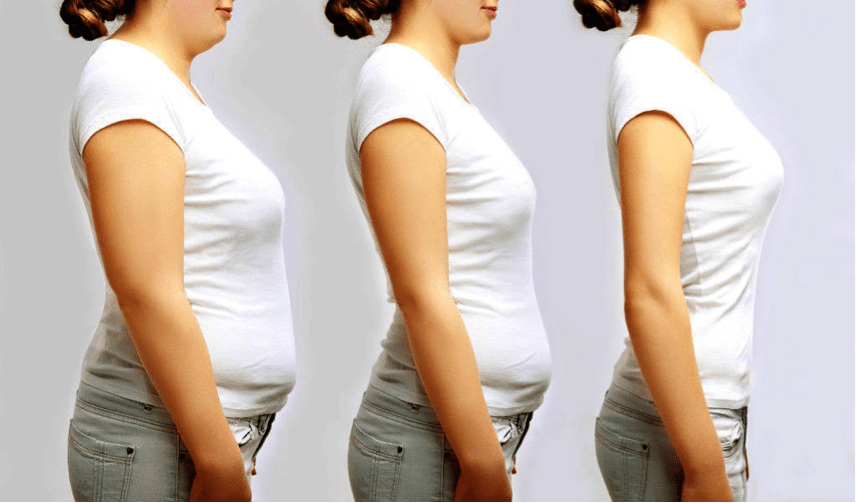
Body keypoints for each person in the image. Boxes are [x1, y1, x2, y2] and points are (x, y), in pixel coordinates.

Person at [60, 1, 296, 500]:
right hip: (157, 443)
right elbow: (145, 291)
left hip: (179, 441)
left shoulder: (159, 85)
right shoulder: (128, 82)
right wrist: (218, 463)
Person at [325, 0, 552, 501]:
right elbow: (421, 294)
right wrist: (480, 461)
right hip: (430, 442)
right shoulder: (399, 84)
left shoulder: (431, 86)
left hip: (455, 439)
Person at [572, 0, 783, 500]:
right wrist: (706, 463)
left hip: (699, 417)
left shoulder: (678, 76)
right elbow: (647, 288)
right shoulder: (654, 74)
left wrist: (719, 435)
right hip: (673, 427)